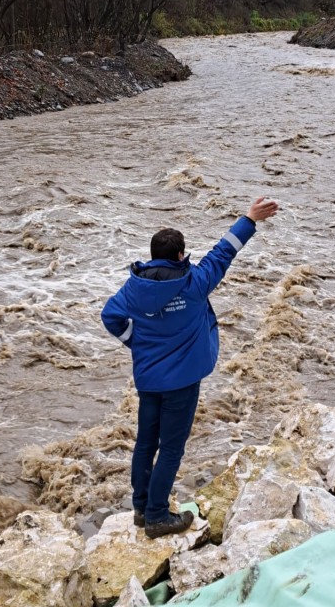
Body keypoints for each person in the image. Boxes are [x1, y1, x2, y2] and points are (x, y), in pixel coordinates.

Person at [101, 197, 279, 539]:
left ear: (153, 256)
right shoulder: (195, 283)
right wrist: (249, 219)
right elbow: (224, 251)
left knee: (146, 443)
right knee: (171, 447)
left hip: (149, 379)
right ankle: (156, 517)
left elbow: (110, 316)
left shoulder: (135, 288)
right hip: (182, 383)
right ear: (181, 255)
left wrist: (134, 341)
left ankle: (141, 507)